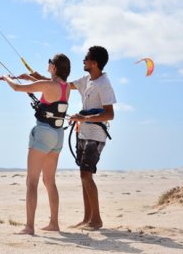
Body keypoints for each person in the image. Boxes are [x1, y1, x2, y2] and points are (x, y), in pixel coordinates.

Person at [2, 53, 71, 235]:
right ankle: (54, 223)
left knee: (31, 181)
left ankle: (29, 226)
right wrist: (31, 78)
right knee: (49, 181)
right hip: (58, 135)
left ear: (54, 68)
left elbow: (17, 88)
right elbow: (49, 89)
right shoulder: (66, 87)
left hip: (43, 133)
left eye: (50, 63)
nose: (48, 65)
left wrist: (6, 77)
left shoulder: (48, 85)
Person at [68, 46, 116, 231]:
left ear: (94, 63)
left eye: (86, 58)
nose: (83, 60)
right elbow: (65, 85)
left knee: (86, 174)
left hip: (96, 134)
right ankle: (87, 218)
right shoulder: (86, 79)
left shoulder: (104, 83)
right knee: (83, 175)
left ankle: (96, 220)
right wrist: (35, 78)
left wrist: (85, 118)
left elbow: (110, 114)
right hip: (83, 132)